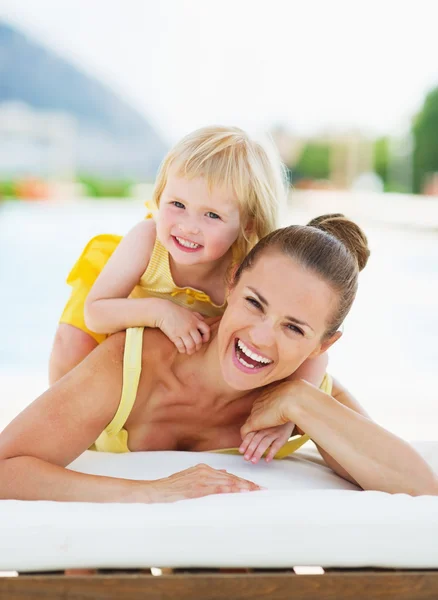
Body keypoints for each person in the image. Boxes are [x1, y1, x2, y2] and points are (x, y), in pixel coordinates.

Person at [1, 215, 436, 503]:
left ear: (323, 346)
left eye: (295, 328)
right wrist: (150, 493)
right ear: (231, 285)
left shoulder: (309, 402)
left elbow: (422, 490)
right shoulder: (133, 362)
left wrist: (299, 402)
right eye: (254, 303)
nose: (261, 337)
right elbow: (7, 468)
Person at [49, 125, 328, 459]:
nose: (188, 226)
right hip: (120, 328)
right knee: (71, 340)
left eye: (212, 214)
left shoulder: (247, 270)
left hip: (174, 365)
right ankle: (61, 420)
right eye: (177, 204)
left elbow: (316, 351)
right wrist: (160, 312)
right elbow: (96, 313)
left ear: (248, 224)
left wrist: (289, 414)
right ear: (160, 195)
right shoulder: (146, 241)